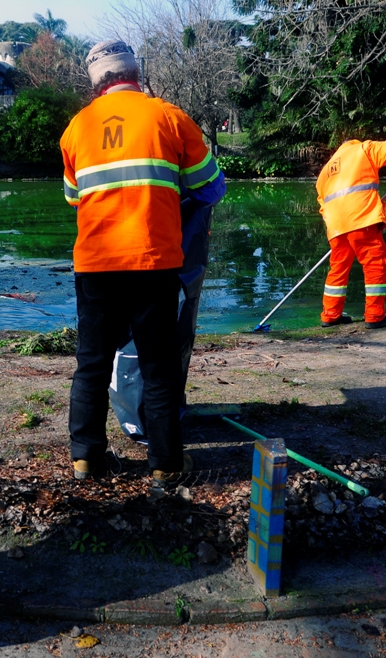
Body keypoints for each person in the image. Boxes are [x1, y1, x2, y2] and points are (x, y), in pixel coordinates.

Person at [59, 39, 226, 488]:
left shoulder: (76, 128)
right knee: (158, 364)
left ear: (97, 82)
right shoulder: (168, 117)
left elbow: (75, 197)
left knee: (91, 362)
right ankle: (166, 466)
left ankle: (86, 461)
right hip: (153, 261)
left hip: (94, 265)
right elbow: (212, 187)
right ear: (136, 73)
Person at [315, 139, 386, 329]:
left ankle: (330, 315)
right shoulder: (363, 149)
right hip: (361, 218)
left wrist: (335, 224)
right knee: (375, 264)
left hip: (336, 226)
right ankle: (375, 316)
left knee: (338, 268)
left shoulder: (326, 171)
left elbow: (322, 203)